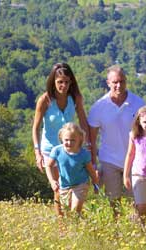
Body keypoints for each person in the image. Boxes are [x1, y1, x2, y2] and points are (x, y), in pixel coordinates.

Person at [32, 62, 90, 217]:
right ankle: (61, 223)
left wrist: (87, 145)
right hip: (50, 149)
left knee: (74, 184)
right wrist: (37, 152)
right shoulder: (45, 100)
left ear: (71, 82)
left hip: (71, 148)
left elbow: (83, 122)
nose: (63, 85)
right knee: (58, 187)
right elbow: (35, 128)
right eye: (59, 82)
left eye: (66, 82)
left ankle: (73, 216)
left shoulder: (75, 98)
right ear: (53, 82)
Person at [88, 65, 146, 217]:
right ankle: (117, 231)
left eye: (122, 81)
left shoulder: (139, 104)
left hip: (134, 161)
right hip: (109, 160)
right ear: (108, 83)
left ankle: (138, 231)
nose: (118, 85)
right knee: (114, 201)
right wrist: (93, 164)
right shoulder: (98, 107)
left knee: (138, 201)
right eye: (115, 82)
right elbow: (91, 139)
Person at [45, 123, 99, 217]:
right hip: (64, 185)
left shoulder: (84, 154)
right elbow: (48, 166)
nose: (69, 143)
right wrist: (52, 181)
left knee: (75, 210)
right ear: (61, 138)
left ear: (80, 139)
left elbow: (90, 170)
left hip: (81, 184)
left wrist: (95, 183)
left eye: (73, 140)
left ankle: (77, 225)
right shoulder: (57, 151)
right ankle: (78, 225)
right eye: (66, 140)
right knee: (66, 212)